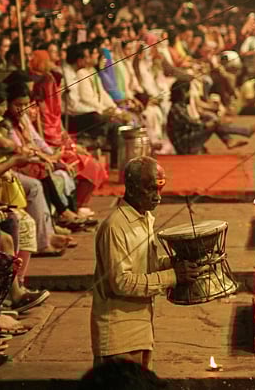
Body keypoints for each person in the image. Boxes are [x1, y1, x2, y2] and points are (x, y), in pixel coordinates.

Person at [90, 156, 201, 369]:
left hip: (141, 327)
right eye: (150, 189)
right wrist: (172, 276)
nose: (157, 197)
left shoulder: (145, 218)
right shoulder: (115, 227)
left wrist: (175, 263)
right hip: (118, 331)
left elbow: (144, 266)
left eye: (160, 189)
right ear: (131, 189)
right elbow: (121, 282)